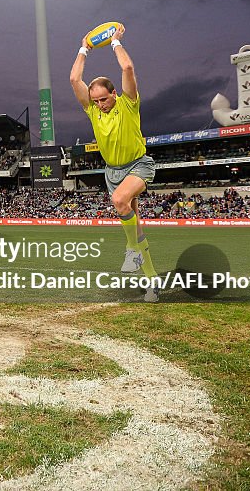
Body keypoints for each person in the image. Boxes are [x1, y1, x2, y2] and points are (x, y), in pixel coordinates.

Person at [70, 28, 159, 302]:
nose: (99, 104)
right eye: (95, 100)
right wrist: (84, 47)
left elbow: (128, 66)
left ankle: (131, 250)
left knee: (121, 200)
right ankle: (152, 281)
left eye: (104, 99)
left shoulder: (129, 103)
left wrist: (114, 41)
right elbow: (75, 78)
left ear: (115, 94)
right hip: (112, 172)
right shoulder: (93, 110)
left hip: (138, 165)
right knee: (136, 226)